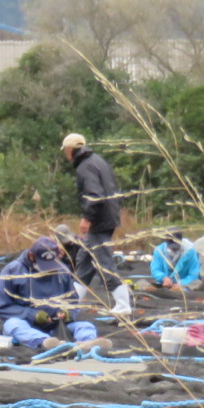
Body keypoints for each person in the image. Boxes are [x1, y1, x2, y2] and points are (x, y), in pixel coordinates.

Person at [61, 133, 130, 315]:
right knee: (85, 262)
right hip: (108, 216)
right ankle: (72, 304)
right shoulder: (98, 160)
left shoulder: (85, 166)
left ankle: (123, 306)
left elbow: (94, 195)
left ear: (70, 150)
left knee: (104, 263)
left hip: (99, 221)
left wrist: (87, 218)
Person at [0, 234, 98, 349]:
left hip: (56, 326)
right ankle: (45, 342)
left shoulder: (62, 271)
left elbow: (72, 301)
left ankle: (86, 344)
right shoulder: (13, 270)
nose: (48, 269)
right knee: (12, 325)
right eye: (44, 265)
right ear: (32, 256)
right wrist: (33, 315)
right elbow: (2, 307)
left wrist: (67, 313)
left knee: (86, 326)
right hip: (27, 325)